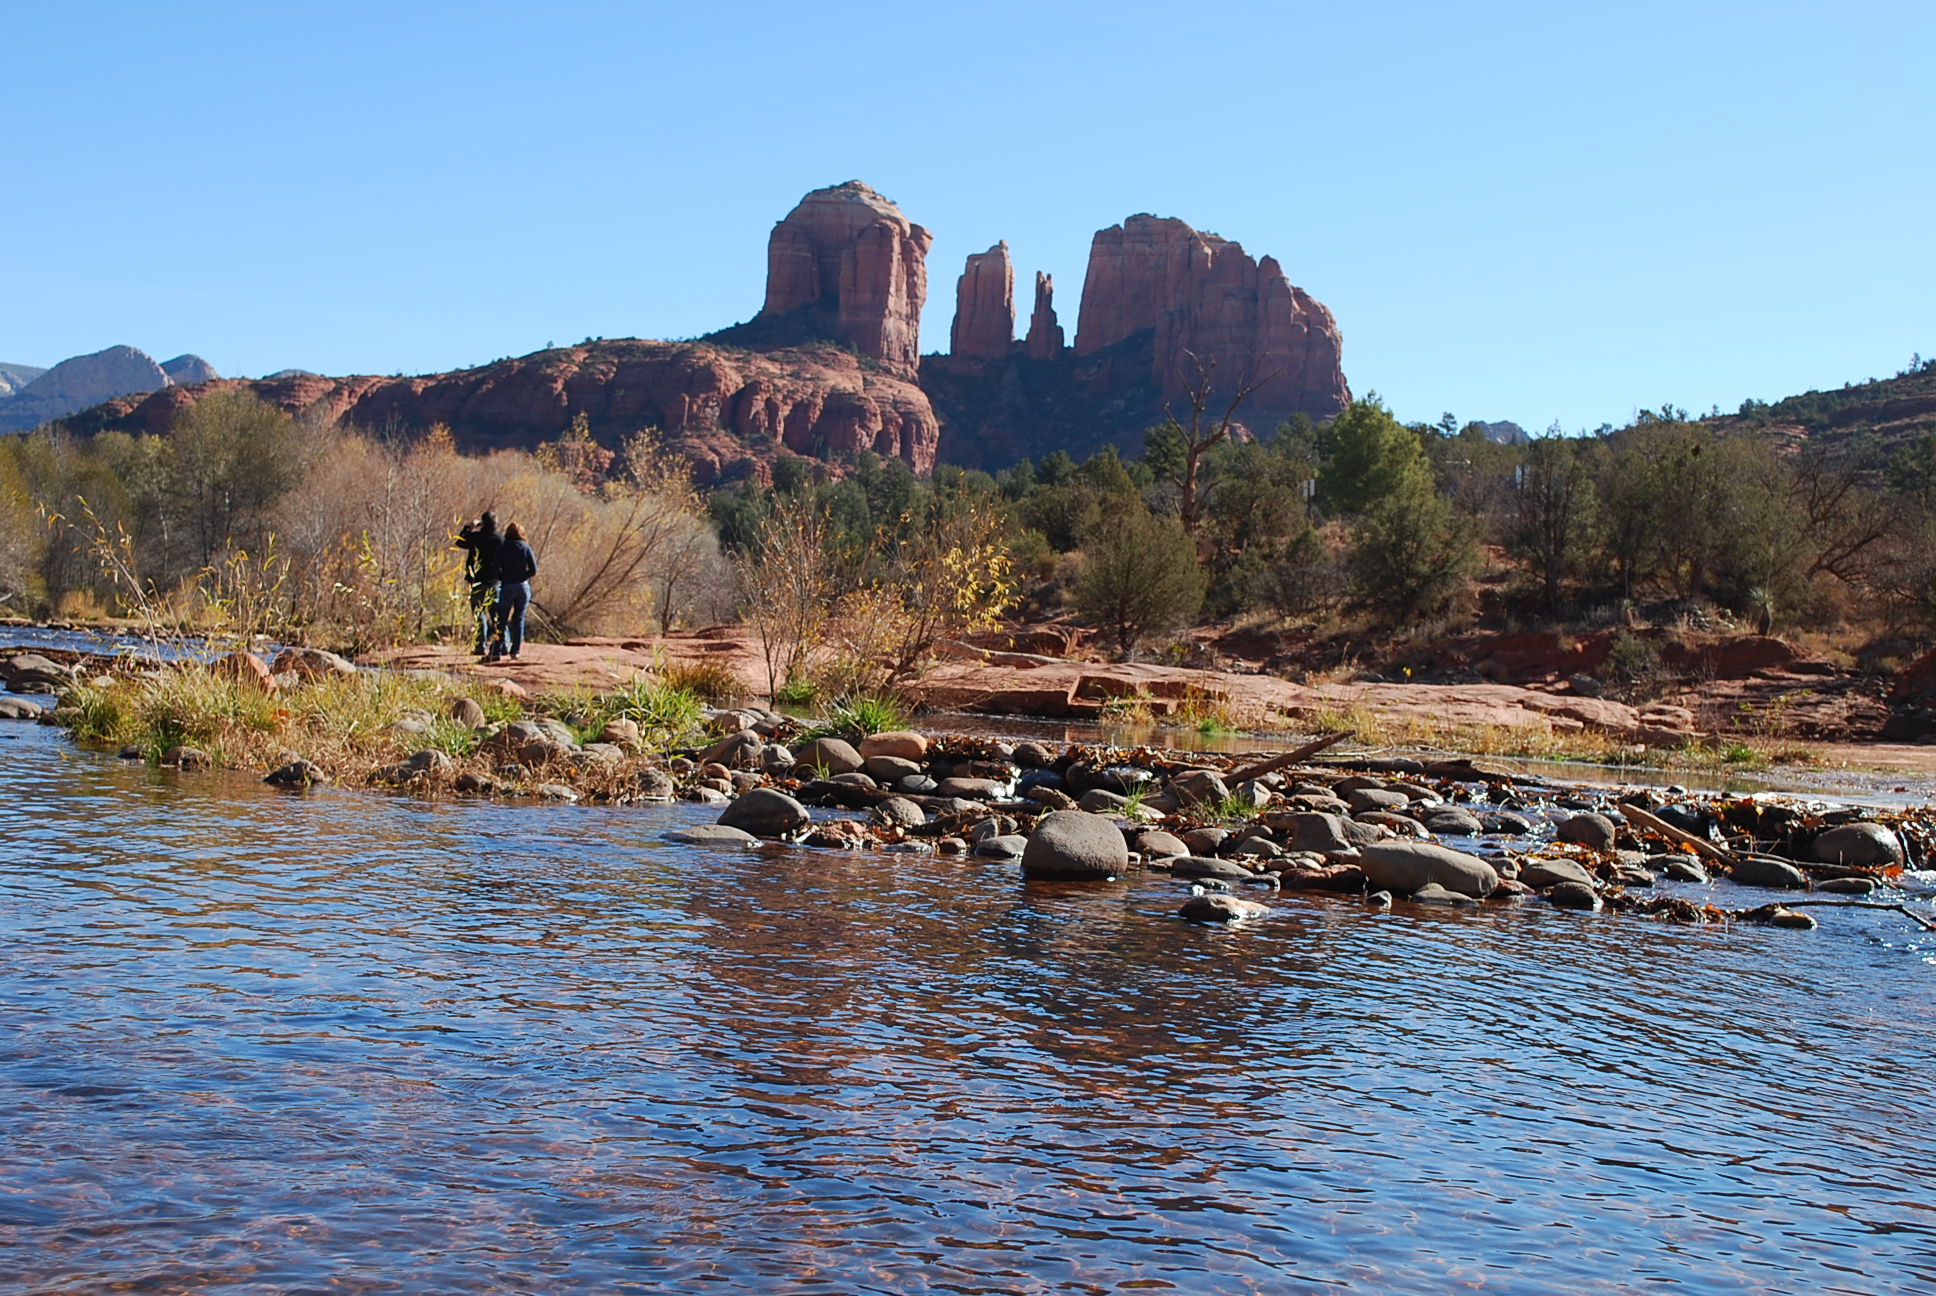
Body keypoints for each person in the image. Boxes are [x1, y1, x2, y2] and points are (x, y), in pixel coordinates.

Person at [452, 511, 501, 657]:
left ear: (483, 523)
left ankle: (480, 645)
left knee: (479, 613)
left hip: (477, 580)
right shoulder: (500, 539)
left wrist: (469, 527)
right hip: (495, 580)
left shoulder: (476, 537)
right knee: (496, 615)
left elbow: (459, 541)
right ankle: (502, 645)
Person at [488, 521, 538, 660]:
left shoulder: (502, 548)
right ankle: (515, 651)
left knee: (501, 620)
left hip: (507, 586)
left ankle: (496, 651)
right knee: (519, 618)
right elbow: (534, 570)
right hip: (522, 586)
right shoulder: (525, 547)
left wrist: (503, 577)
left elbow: (496, 567)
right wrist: (522, 577)